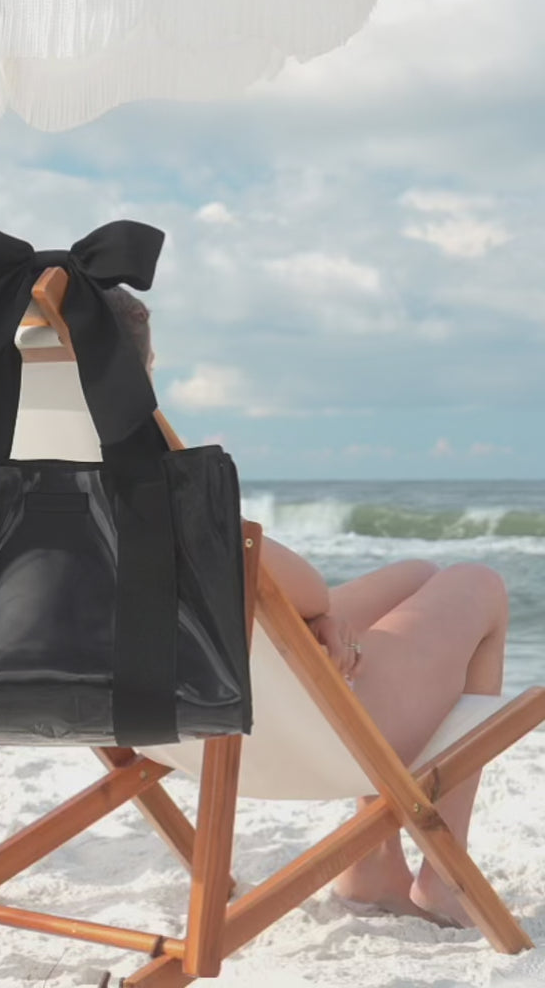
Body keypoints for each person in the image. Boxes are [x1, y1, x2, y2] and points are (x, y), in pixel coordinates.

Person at [104, 285, 508, 928]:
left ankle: (375, 863)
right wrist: (317, 612)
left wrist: (317, 616)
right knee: (478, 583)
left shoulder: (17, 494)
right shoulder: (156, 485)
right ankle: (444, 875)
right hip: (264, 728)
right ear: (141, 372)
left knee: (418, 575)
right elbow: (288, 578)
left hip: (152, 722)